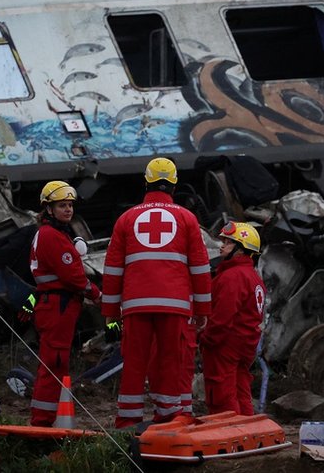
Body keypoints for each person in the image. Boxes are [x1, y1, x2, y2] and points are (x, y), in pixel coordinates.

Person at [102, 157, 211, 429]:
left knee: (134, 362)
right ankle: (169, 419)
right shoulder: (187, 218)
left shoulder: (126, 219)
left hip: (136, 305)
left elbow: (112, 270)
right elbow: (200, 269)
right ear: (174, 185)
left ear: (146, 183)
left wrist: (110, 311)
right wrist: (202, 310)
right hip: (174, 305)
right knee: (171, 361)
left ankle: (128, 421)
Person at [28, 180, 99, 426]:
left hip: (57, 305)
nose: (68, 209)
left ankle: (47, 418)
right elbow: (74, 277)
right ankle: (42, 422)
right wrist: (97, 294)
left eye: (70, 205)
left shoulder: (53, 233)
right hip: (57, 306)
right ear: (49, 209)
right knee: (54, 363)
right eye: (62, 205)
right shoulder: (52, 236)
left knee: (56, 362)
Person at [200, 221, 266, 416]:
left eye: (228, 242)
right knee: (240, 391)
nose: (222, 246)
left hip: (225, 345)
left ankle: (229, 431)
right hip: (245, 345)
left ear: (241, 249)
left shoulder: (232, 276)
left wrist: (206, 339)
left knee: (221, 395)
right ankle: (247, 429)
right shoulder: (253, 277)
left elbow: (222, 316)